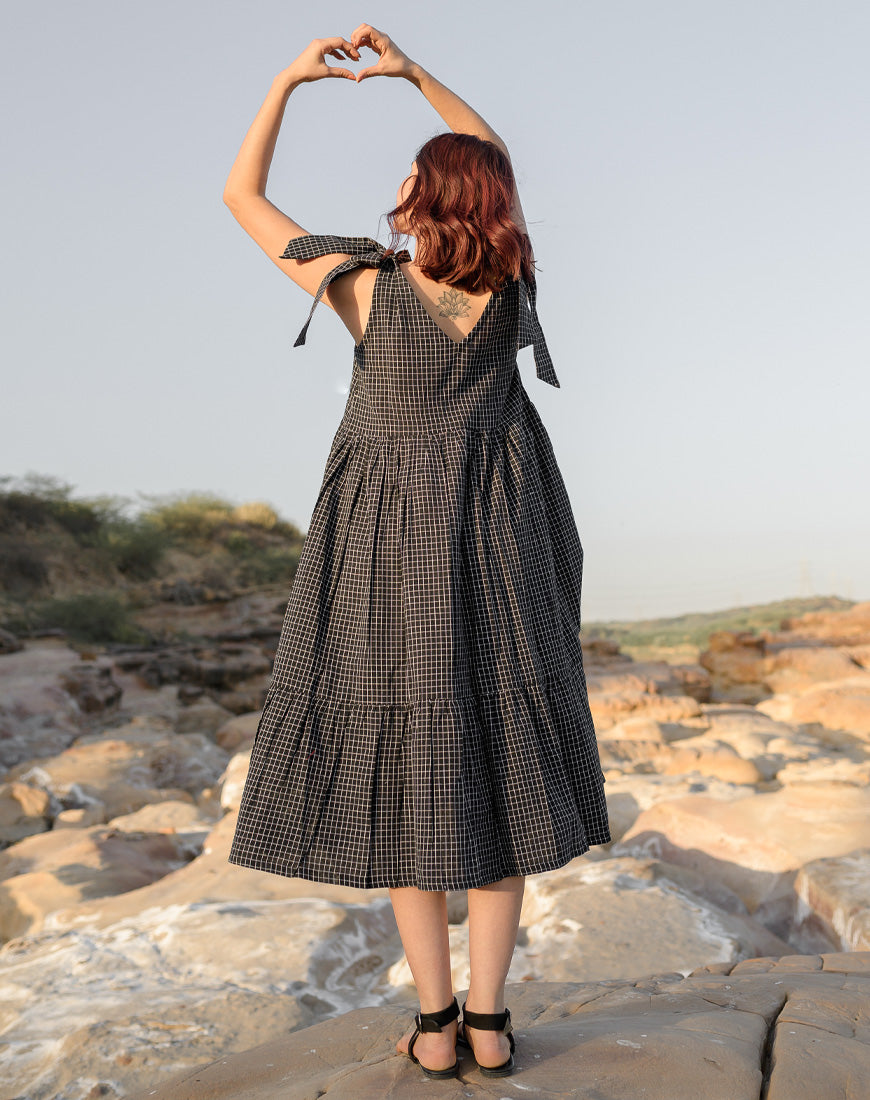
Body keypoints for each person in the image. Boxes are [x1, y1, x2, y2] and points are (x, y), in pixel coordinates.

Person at [222, 24, 611, 1081]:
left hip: (388, 549)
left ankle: (432, 1025)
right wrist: (416, 77)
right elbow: (490, 156)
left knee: (412, 773)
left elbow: (242, 199)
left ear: (424, 201)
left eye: (409, 175)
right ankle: (491, 1023)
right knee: (498, 763)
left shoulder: (361, 283)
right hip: (504, 539)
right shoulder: (510, 292)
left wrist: (288, 82)